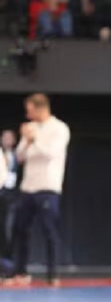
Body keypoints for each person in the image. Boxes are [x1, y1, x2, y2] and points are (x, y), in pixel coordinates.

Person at [8, 94, 71, 287]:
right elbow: (19, 157)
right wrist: (26, 141)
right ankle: (20, 272)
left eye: (30, 110)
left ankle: (52, 274)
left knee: (49, 230)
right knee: (20, 229)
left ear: (40, 108)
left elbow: (51, 153)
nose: (28, 114)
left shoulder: (59, 128)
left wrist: (34, 139)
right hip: (28, 186)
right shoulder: (31, 128)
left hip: (48, 186)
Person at [0, 130, 17, 261]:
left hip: (11, 194)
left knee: (9, 226)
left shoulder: (17, 155)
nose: (7, 140)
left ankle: (8, 258)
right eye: (4, 137)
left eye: (9, 137)